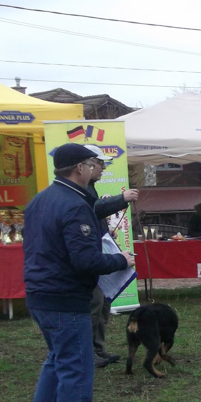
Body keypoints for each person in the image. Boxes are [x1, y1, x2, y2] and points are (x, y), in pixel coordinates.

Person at [21, 143, 136, 402]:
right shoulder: (74, 205)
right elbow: (85, 260)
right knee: (76, 369)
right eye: (92, 163)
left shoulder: (41, 199)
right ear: (80, 169)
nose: (96, 168)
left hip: (40, 293)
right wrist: (121, 260)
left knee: (57, 361)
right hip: (65, 297)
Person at [84, 145, 139, 367]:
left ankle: (98, 349)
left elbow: (92, 215)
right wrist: (121, 198)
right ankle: (88, 352)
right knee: (95, 303)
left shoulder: (90, 187)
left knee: (103, 302)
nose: (104, 168)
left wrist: (105, 230)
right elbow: (91, 209)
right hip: (90, 258)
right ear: (87, 165)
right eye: (100, 163)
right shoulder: (81, 190)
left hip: (98, 251)